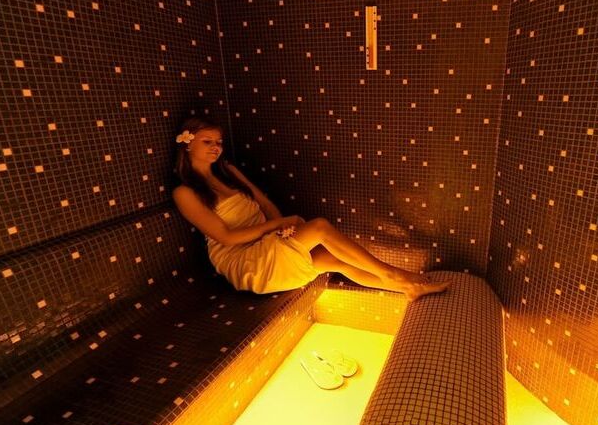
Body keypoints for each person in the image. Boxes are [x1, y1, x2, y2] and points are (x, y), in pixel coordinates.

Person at [171, 117, 450, 301]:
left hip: (265, 243)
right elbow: (227, 237)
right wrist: (277, 226)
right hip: (244, 261)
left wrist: (283, 229)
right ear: (187, 145)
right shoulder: (185, 192)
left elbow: (264, 204)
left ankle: (406, 287)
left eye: (218, 142)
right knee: (319, 227)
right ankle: (394, 274)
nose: (216, 147)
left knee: (335, 260)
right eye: (207, 142)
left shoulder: (228, 172)